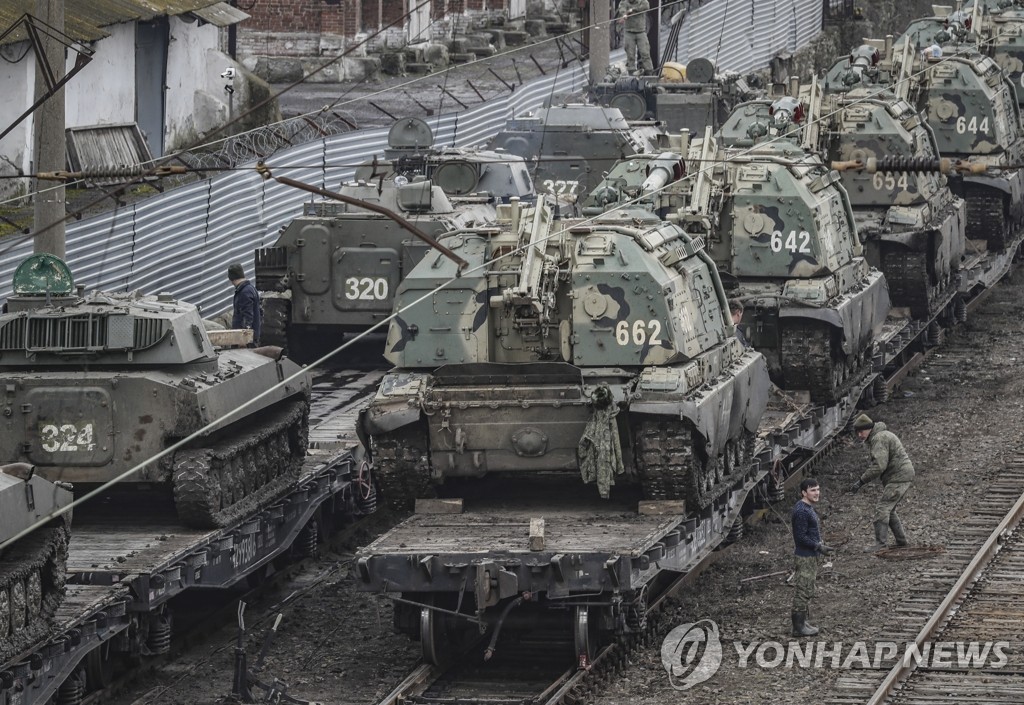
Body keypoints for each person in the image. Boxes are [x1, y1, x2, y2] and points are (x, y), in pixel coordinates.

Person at [850, 414, 914, 552]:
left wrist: (861, 481)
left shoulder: (879, 438)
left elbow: (879, 466)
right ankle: (901, 541)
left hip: (899, 475)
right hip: (900, 474)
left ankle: (881, 543)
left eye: (861, 431)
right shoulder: (880, 436)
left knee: (882, 508)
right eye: (857, 432)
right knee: (889, 509)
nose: (860, 435)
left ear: (869, 429)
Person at [791, 477, 834, 637]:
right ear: (804, 492)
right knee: (803, 590)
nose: (817, 493)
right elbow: (800, 537)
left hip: (810, 555)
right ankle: (798, 627)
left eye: (817, 489)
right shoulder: (802, 511)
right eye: (812, 490)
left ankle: (802, 622)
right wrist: (818, 546)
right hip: (805, 556)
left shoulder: (807, 507)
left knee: (808, 589)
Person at [228, 263, 262, 346]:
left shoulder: (244, 292)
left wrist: (244, 338)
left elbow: (248, 317)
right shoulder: (250, 288)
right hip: (250, 337)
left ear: (231, 278)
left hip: (245, 340)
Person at [616, 0, 653, 75]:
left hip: (641, 32)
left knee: (645, 53)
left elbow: (646, 6)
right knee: (630, 56)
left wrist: (632, 10)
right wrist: (624, 13)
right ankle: (631, 74)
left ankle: (649, 72)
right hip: (629, 32)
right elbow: (622, 8)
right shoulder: (625, 2)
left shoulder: (642, 1)